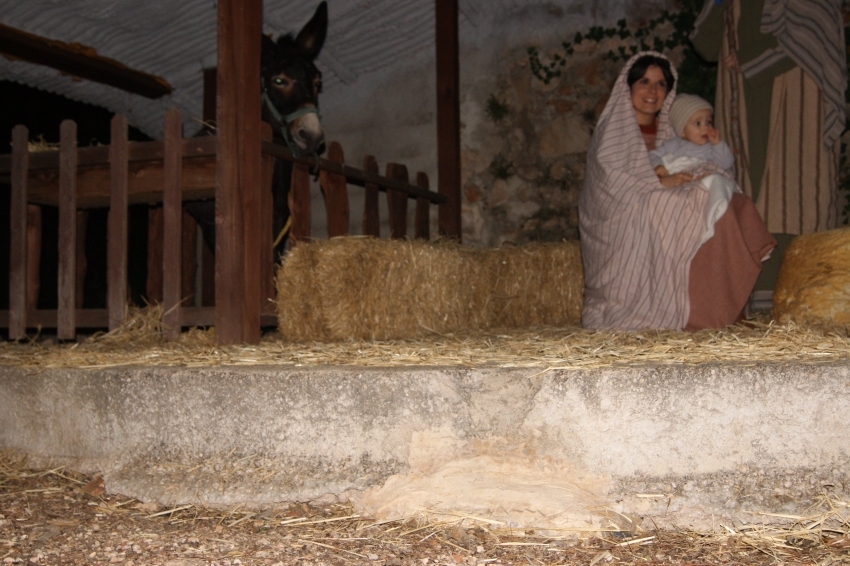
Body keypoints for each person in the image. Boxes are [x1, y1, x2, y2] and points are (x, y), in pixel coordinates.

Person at [579, 52, 776, 331]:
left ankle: (722, 311)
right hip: (625, 219)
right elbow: (610, 189)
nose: (652, 91)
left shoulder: (672, 135)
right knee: (682, 206)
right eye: (644, 82)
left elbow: (696, 163)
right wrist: (660, 184)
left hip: (671, 203)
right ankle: (694, 313)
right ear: (628, 87)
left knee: (726, 204)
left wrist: (697, 178)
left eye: (661, 84)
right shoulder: (612, 134)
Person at [691, 0, 847, 291]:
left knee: (794, 204)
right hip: (741, 117)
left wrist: (751, 58)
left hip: (796, 111)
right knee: (749, 212)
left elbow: (815, 34)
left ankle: (799, 302)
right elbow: (705, 44)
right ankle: (758, 307)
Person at [649, 93, 738, 246]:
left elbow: (726, 164)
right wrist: (658, 166)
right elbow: (652, 155)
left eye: (708, 122)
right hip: (681, 180)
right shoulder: (673, 144)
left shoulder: (711, 148)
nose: (705, 127)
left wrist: (717, 144)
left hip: (703, 176)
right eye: (697, 123)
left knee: (716, 180)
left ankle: (714, 215)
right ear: (682, 131)